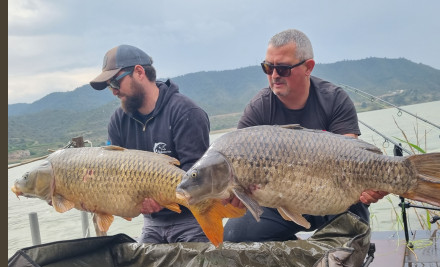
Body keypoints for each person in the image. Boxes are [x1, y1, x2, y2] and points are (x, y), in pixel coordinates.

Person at [223, 29, 387, 242]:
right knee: (234, 236)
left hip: (336, 198)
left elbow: (354, 161)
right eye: (268, 67)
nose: (274, 75)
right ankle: (293, 251)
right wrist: (239, 195)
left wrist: (374, 186)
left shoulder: (334, 100)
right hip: (279, 203)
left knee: (346, 251)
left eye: (282, 68)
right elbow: (237, 165)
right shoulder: (258, 109)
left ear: (308, 67)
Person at [90, 44, 211, 244]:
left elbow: (198, 177)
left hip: (191, 219)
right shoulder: (118, 121)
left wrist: (163, 200)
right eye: (109, 86)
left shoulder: (186, 112)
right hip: (151, 223)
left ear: (139, 72)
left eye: (115, 82)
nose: (113, 91)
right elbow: (111, 173)